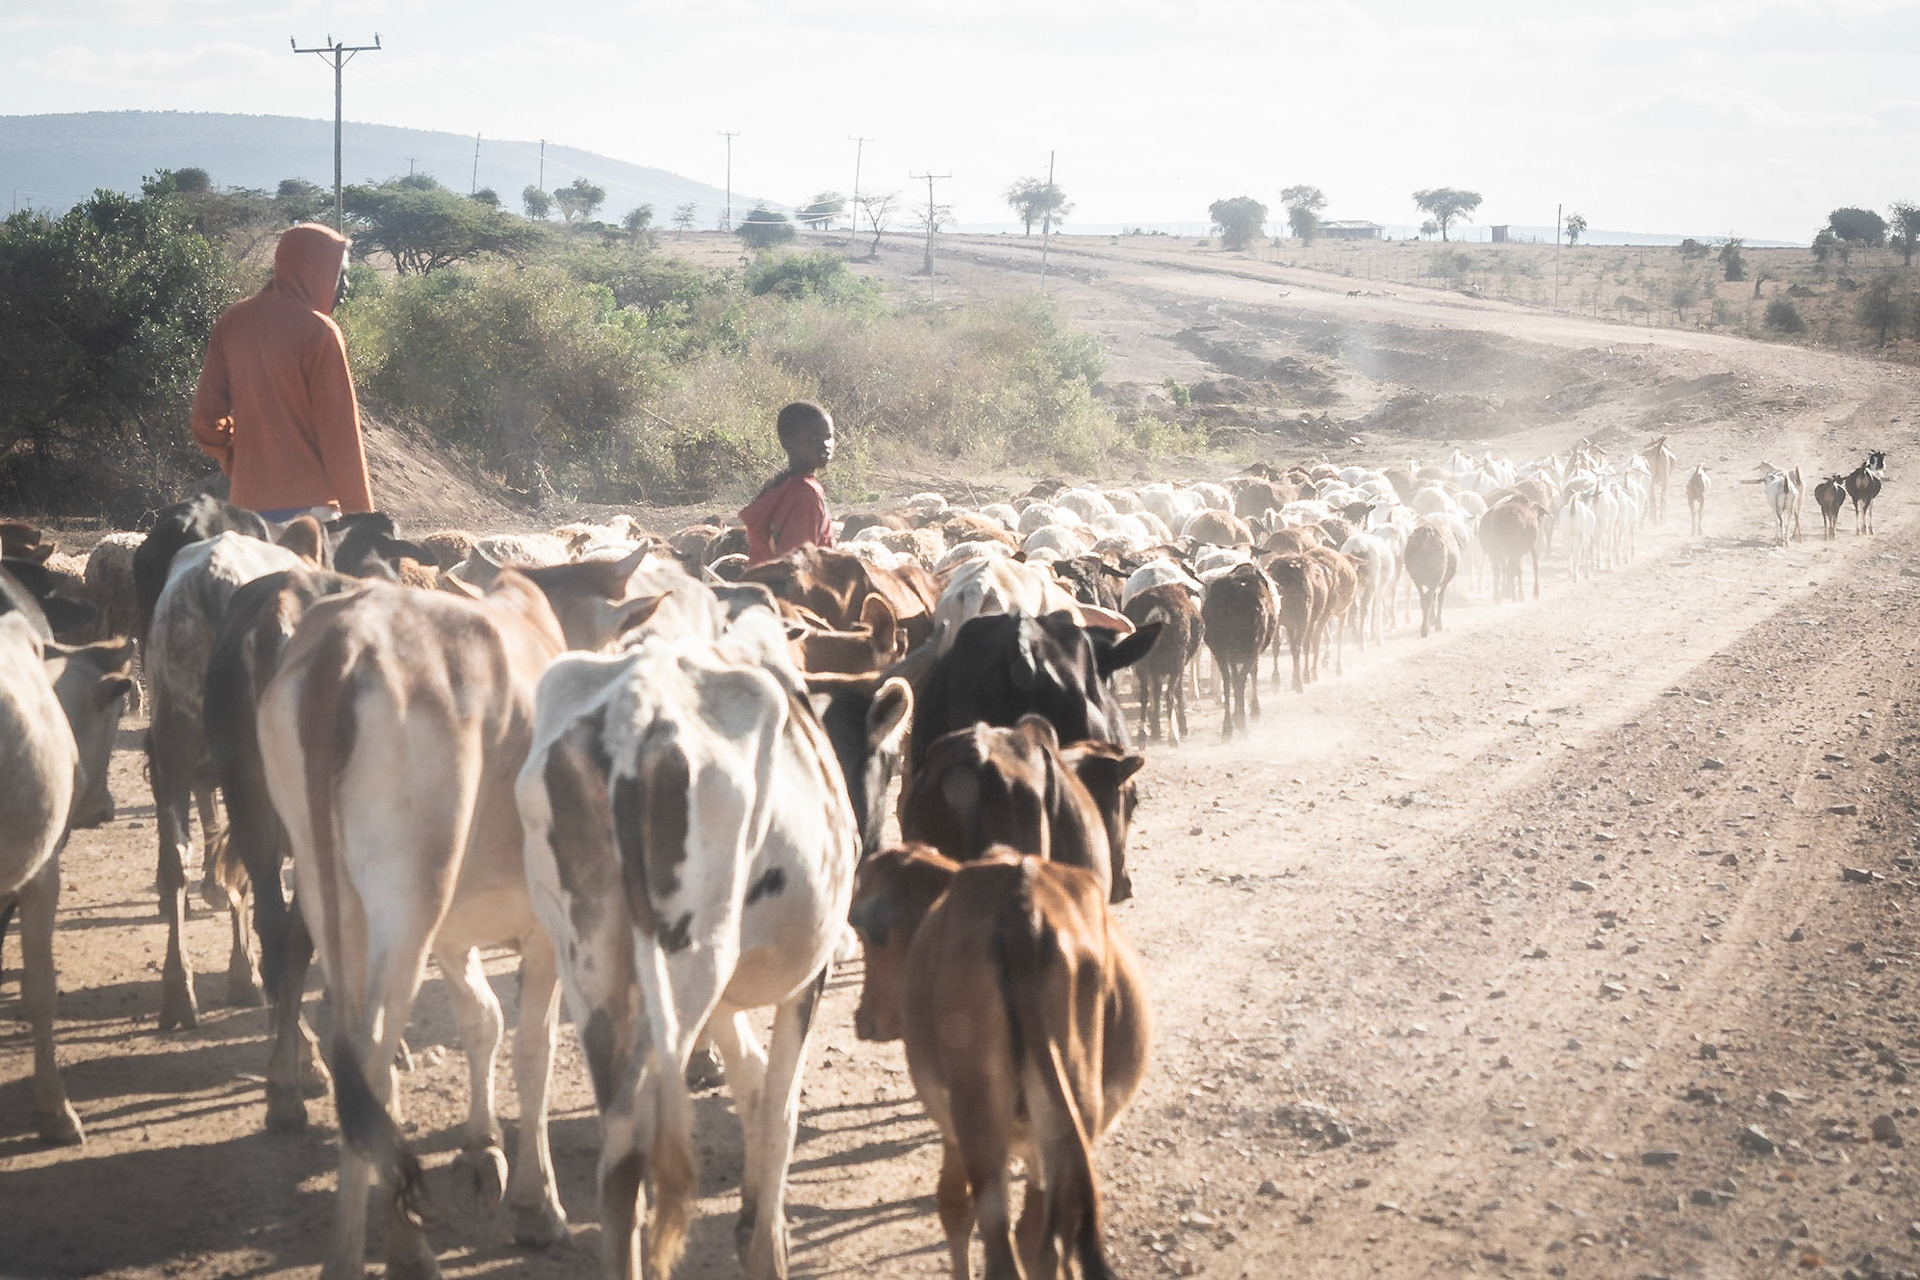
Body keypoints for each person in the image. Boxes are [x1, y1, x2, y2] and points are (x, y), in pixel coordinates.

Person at [190, 222, 374, 522]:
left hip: (245, 511)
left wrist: (237, 462)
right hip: (312, 514)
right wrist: (363, 519)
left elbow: (204, 419)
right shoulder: (319, 331)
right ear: (313, 270)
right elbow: (340, 438)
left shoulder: (233, 321)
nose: (346, 286)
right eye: (340, 274)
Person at [740, 400, 837, 563]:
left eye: (828, 437)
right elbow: (798, 565)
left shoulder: (780, 484)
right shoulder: (804, 493)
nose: (824, 446)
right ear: (788, 442)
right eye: (813, 439)